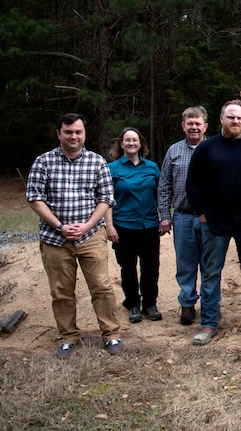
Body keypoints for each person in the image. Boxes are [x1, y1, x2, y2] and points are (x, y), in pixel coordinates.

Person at [26, 113, 124, 358]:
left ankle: (111, 334)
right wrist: (60, 226)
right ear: (59, 134)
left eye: (78, 132)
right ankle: (68, 337)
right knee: (61, 291)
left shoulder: (97, 162)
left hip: (90, 236)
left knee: (101, 287)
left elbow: (106, 198)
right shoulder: (43, 162)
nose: (73, 136)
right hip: (55, 239)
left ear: (84, 134)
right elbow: (35, 198)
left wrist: (89, 224)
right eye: (68, 132)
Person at [186, 100, 241, 345]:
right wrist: (202, 214)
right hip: (213, 222)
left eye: (239, 118)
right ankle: (209, 323)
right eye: (231, 117)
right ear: (221, 120)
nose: (236, 121)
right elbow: (193, 185)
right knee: (211, 273)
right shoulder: (206, 149)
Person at [105, 127, 162, 323]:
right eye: (127, 140)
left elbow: (159, 195)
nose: (131, 143)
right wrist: (109, 226)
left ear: (140, 144)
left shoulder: (152, 167)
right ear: (121, 144)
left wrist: (163, 218)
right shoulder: (112, 169)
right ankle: (132, 304)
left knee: (151, 267)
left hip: (149, 226)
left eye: (135, 140)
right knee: (128, 268)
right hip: (124, 226)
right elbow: (107, 200)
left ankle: (150, 304)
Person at [158, 106, 208, 325]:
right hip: (183, 217)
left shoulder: (215, 148)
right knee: (185, 263)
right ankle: (187, 304)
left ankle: (210, 304)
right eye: (190, 123)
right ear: (183, 126)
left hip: (210, 218)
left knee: (210, 263)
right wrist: (165, 216)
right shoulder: (174, 151)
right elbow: (164, 184)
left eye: (198, 123)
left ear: (205, 126)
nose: (194, 127)